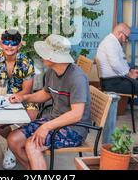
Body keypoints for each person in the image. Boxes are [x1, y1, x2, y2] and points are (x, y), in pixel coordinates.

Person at [6, 34, 91, 170]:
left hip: (75, 128)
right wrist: (24, 97)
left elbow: (76, 114)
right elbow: (46, 93)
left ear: (53, 57)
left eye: (44, 53)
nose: (41, 55)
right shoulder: (52, 72)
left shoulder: (77, 77)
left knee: (32, 144)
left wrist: (46, 127)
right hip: (54, 121)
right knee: (13, 139)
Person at [0, 29, 37, 169]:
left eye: (14, 43)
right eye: (6, 42)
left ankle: (12, 146)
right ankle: (13, 145)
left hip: (23, 98)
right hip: (1, 98)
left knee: (31, 117)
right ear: (1, 43)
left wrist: (18, 97)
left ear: (19, 45)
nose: (10, 46)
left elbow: (27, 90)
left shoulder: (26, 61)